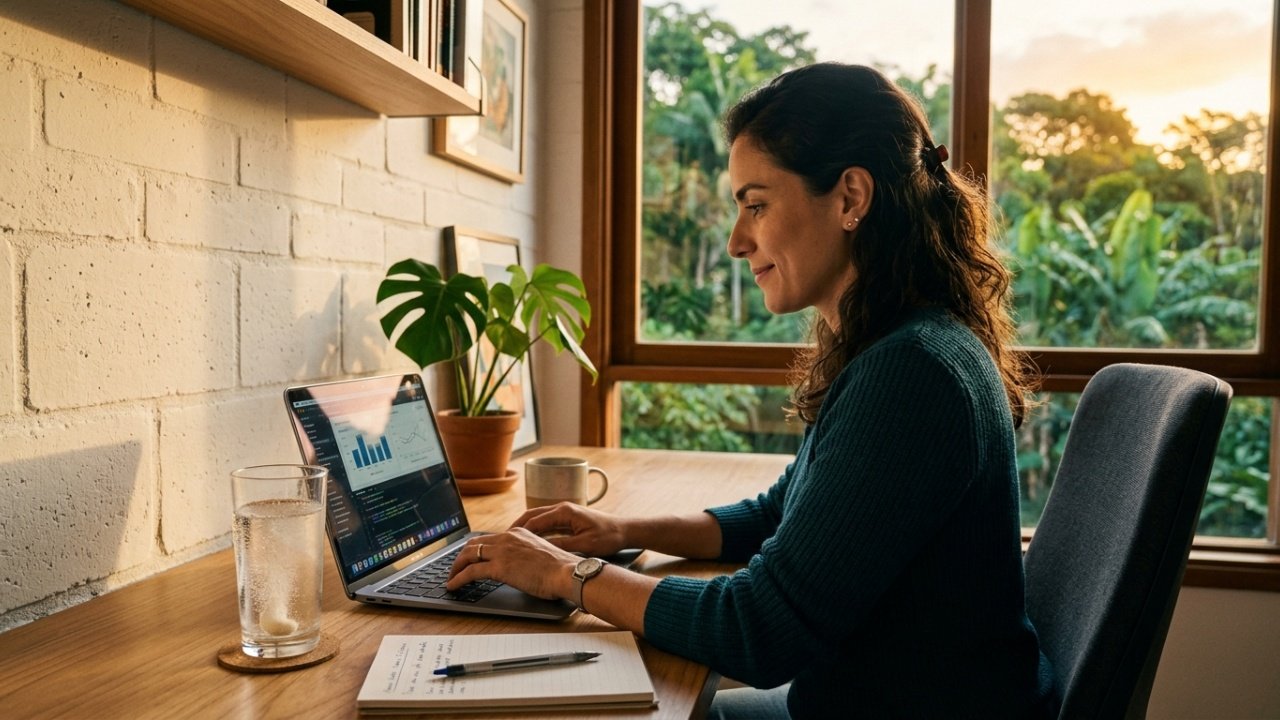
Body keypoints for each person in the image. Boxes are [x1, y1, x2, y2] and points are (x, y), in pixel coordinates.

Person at [448, 62, 1057, 719]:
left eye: (756, 205)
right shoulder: (901, 343)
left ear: (851, 198)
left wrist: (564, 575)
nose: (738, 242)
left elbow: (758, 630)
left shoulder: (912, 372)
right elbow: (781, 512)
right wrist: (617, 530)